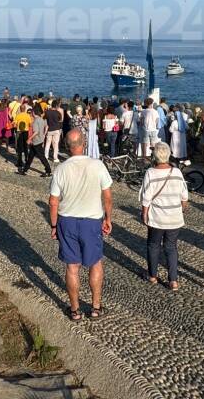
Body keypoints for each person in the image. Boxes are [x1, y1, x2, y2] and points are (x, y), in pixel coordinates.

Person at [48, 129, 113, 320]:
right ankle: (95, 307)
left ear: (67, 147)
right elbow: (107, 197)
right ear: (83, 144)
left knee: (72, 267)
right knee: (95, 264)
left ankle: (75, 310)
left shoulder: (61, 169)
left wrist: (54, 226)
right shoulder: (97, 165)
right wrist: (108, 219)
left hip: (67, 221)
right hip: (91, 221)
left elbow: (53, 201)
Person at [138, 142, 188, 289]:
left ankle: (152, 275)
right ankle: (173, 280)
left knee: (153, 245)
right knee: (171, 247)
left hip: (157, 217)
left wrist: (144, 214)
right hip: (174, 217)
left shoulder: (151, 173)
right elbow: (184, 197)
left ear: (155, 156)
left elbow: (146, 198)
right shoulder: (177, 172)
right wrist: (180, 210)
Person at [21, 107, 52, 177]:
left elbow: (36, 132)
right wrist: (44, 134)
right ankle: (25, 170)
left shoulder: (35, 121)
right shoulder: (42, 119)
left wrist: (29, 139)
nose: (31, 114)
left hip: (36, 141)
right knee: (30, 156)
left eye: (32, 112)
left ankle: (48, 171)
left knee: (42, 157)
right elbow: (46, 126)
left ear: (33, 113)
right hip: (39, 140)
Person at [13, 102, 33, 170]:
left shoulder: (18, 116)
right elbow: (30, 124)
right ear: (24, 109)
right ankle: (27, 160)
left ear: (20, 109)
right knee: (25, 147)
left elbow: (15, 125)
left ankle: (20, 162)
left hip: (19, 132)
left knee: (19, 148)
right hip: (26, 132)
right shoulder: (28, 115)